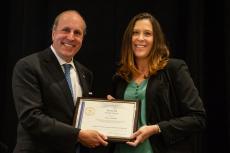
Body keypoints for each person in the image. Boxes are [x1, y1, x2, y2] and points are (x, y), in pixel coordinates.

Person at [107, 12, 206, 153]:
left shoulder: (174, 69)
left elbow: (198, 118)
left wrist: (156, 128)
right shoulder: (120, 77)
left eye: (147, 34)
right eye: (135, 33)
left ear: (156, 40)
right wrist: (111, 110)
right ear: (129, 38)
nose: (140, 38)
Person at [12, 10, 108, 153]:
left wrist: (107, 109)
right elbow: (31, 118)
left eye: (77, 33)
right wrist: (78, 135)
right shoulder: (29, 66)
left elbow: (84, 114)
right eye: (66, 30)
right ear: (53, 33)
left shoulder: (85, 73)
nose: (71, 37)